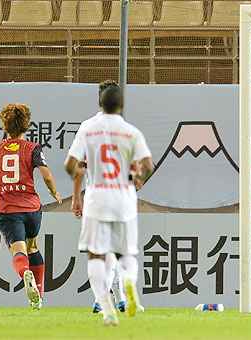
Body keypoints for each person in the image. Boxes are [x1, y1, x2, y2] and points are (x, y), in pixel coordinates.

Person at [65, 84, 153, 326]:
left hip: (97, 197)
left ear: (100, 102)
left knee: (96, 254)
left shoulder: (88, 129)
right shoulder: (130, 132)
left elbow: (72, 166)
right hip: (124, 198)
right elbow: (147, 165)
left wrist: (78, 191)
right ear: (122, 104)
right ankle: (128, 283)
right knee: (125, 252)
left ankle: (106, 308)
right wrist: (136, 180)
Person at [0, 103, 62, 309]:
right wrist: (54, 192)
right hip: (32, 209)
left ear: (4, 126)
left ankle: (25, 273)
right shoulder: (33, 148)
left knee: (19, 251)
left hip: (7, 209)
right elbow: (46, 174)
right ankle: (38, 295)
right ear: (26, 125)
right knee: (32, 246)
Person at [70, 80, 129, 314]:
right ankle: (119, 297)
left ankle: (101, 296)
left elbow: (79, 167)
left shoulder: (87, 127)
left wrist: (76, 197)